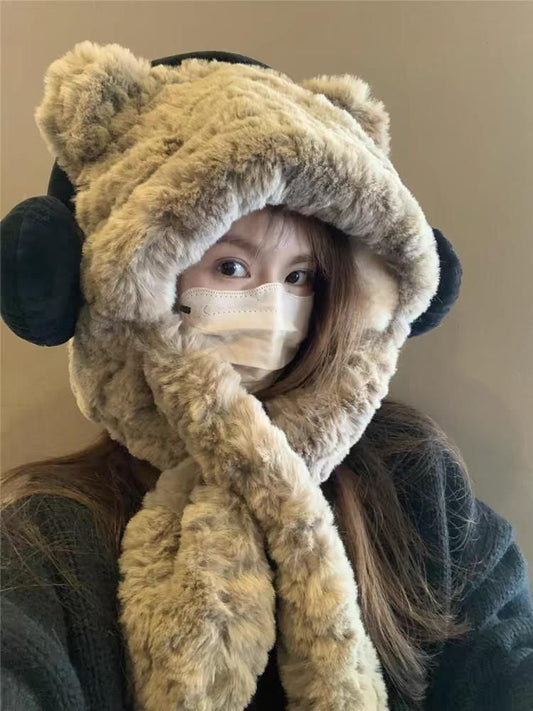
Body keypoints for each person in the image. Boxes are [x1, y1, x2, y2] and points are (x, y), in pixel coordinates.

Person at [1, 41, 532, 711]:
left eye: (300, 276)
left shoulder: (413, 481)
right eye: (231, 267)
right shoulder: (53, 531)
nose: (273, 308)